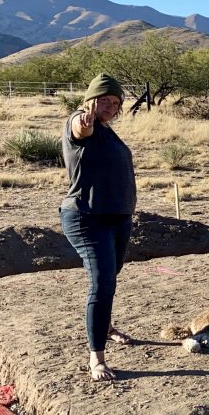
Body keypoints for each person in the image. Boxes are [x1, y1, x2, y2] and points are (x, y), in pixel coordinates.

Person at [60, 72, 136, 382]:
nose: (110, 106)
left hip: (118, 218)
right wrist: (85, 121)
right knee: (102, 283)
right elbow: (80, 129)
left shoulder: (108, 131)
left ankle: (104, 325)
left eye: (115, 102)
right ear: (91, 100)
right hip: (87, 217)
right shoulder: (81, 122)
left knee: (110, 275)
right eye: (104, 100)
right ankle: (97, 357)